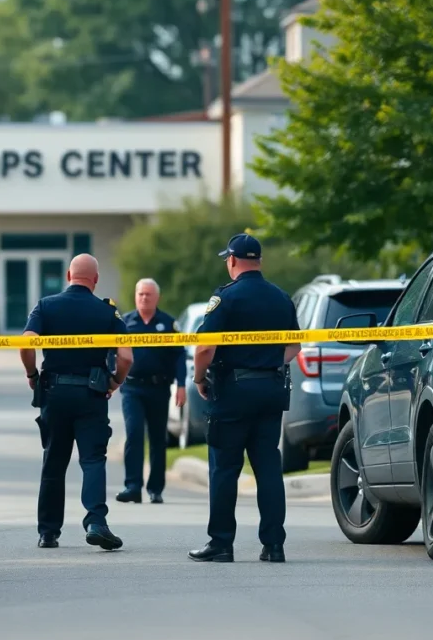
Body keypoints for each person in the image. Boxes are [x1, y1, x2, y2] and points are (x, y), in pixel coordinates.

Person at [187, 233, 301, 564]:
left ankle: (221, 543)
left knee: (224, 468)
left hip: (233, 392)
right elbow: (294, 347)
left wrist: (198, 378)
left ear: (233, 260)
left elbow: (206, 347)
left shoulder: (226, 298)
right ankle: (274, 545)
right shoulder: (281, 298)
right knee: (268, 467)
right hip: (270, 390)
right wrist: (266, 363)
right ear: (260, 261)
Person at [19, 253, 133, 551]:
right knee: (93, 460)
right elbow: (126, 356)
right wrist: (115, 381)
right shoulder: (107, 312)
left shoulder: (46, 305)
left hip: (54, 394)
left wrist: (32, 374)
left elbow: (27, 342)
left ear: (69, 276)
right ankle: (96, 521)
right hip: (91, 395)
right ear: (94, 281)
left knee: (54, 462)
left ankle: (48, 533)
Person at [116, 278, 187, 505]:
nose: (144, 298)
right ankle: (133, 486)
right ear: (136, 296)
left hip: (159, 387)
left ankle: (155, 489)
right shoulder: (125, 323)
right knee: (134, 434)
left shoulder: (168, 324)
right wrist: (112, 378)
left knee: (158, 438)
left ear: (157, 297)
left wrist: (182, 385)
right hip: (132, 387)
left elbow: (179, 357)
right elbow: (112, 352)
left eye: (148, 294)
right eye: (140, 294)